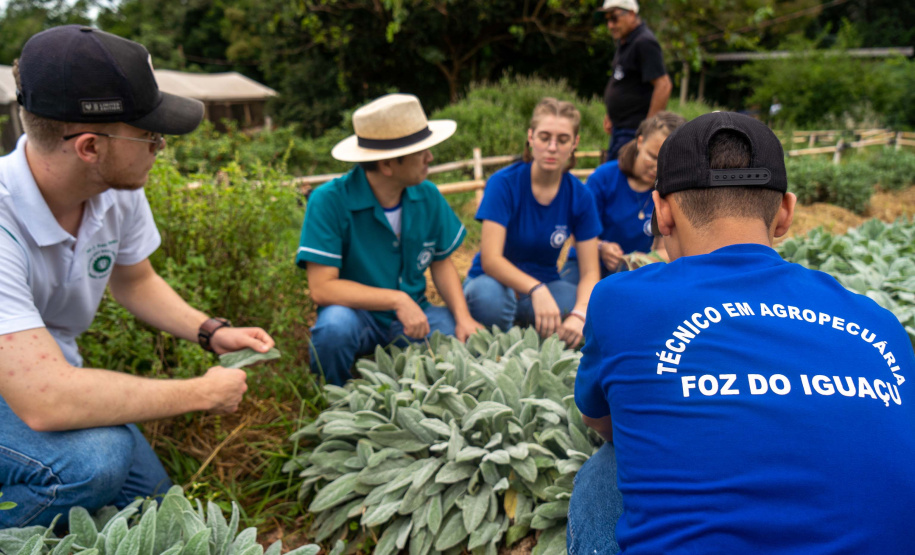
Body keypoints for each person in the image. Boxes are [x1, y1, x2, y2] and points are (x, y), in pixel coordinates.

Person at [569, 112, 915, 554]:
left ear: (661, 212)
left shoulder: (621, 300)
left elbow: (601, 421)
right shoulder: (880, 322)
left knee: (601, 473)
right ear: (786, 213)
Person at [0, 26, 275, 529]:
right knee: (94, 464)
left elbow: (134, 279)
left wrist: (210, 332)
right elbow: (45, 399)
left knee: (159, 508)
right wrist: (199, 393)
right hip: (30, 385)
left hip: (45, 368)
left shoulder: (115, 187)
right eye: (150, 135)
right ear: (89, 146)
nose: (161, 145)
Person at [297, 94, 482, 386]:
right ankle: (332, 398)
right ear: (386, 165)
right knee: (333, 329)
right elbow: (321, 288)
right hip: (357, 315)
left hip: (416, 312)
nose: (430, 158)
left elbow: (442, 263)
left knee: (452, 345)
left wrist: (463, 317)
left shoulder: (428, 196)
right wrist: (396, 300)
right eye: (421, 152)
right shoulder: (328, 201)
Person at [463, 98, 602, 347]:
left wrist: (580, 314)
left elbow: (591, 271)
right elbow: (491, 260)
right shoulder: (503, 184)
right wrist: (535, 289)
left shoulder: (581, 196)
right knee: (489, 299)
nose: (552, 147)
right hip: (495, 283)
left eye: (562, 140)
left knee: (585, 306)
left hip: (548, 288)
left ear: (575, 143)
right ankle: (500, 344)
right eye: (544, 137)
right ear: (530, 137)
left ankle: (533, 337)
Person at [562, 111, 684, 282]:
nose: (657, 167)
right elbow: (576, 235)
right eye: (653, 157)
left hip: (634, 272)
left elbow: (666, 249)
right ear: (640, 142)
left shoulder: (670, 191)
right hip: (586, 263)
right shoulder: (604, 177)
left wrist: (646, 260)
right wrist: (602, 247)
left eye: (665, 162)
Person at [599, 0, 672, 161]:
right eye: (608, 20)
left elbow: (663, 85)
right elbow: (623, 80)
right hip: (619, 128)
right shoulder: (625, 41)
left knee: (619, 179)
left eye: (615, 18)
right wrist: (611, 114)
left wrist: (648, 129)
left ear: (631, 14)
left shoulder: (644, 42)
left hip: (632, 131)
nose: (610, 25)